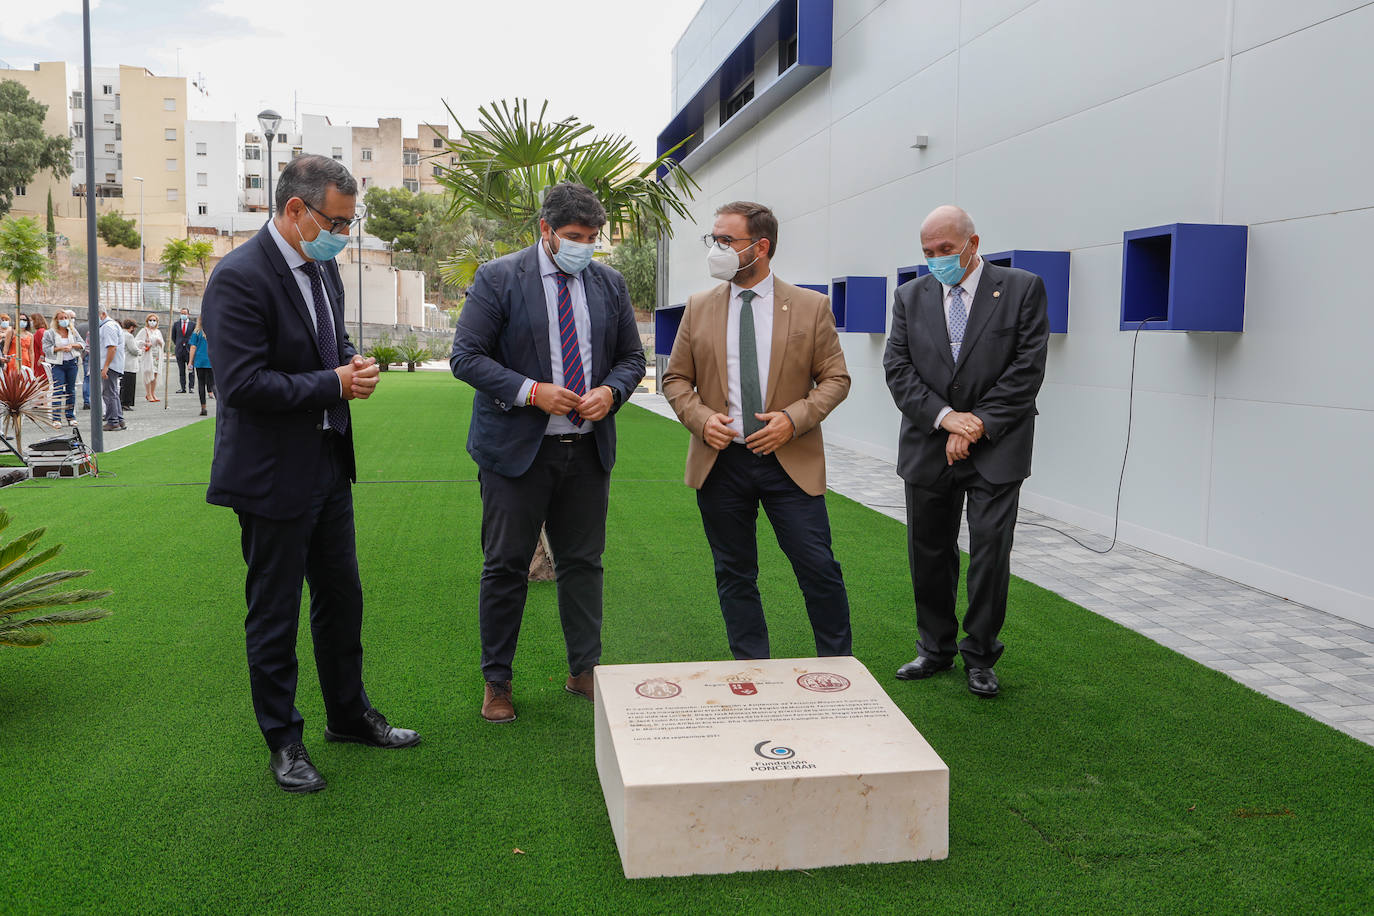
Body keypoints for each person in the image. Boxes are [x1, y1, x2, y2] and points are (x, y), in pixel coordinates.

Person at [202, 154, 417, 795]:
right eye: (336, 222)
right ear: (294, 210)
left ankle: (348, 716)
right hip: (270, 475)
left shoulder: (322, 271)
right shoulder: (238, 277)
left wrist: (353, 364)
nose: (343, 237)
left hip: (327, 463)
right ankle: (284, 740)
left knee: (341, 598)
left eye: (349, 225)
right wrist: (333, 383)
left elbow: (329, 346)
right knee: (274, 612)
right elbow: (241, 385)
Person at [449, 182, 645, 724]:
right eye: (574, 236)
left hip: (586, 451)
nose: (585, 245)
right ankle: (498, 681)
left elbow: (632, 357)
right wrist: (532, 391)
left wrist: (613, 391)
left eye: (593, 237)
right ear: (545, 230)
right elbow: (465, 357)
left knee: (583, 564)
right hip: (516, 451)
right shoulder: (498, 278)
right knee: (505, 566)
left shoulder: (607, 283)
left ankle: (584, 670)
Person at [662, 201, 853, 661]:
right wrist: (702, 418)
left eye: (727, 241)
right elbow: (674, 379)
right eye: (714, 239)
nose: (717, 249)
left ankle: (839, 669)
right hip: (721, 462)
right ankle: (754, 669)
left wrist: (793, 420)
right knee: (734, 572)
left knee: (818, 568)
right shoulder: (699, 306)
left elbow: (836, 379)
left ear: (760, 247)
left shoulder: (810, 307)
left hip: (789, 462)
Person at [883, 205, 1050, 698]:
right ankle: (934, 649)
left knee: (989, 552)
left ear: (972, 244)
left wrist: (975, 424)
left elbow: (1027, 367)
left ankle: (981, 655)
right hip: (929, 442)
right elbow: (898, 367)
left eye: (945, 251)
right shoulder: (909, 297)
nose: (936, 260)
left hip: (997, 445)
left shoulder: (1022, 288)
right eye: (928, 252)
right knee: (928, 551)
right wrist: (945, 418)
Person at [43, 309, 84, 425]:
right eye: (61, 318)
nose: (64, 320)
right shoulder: (50, 333)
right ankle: (56, 418)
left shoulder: (72, 331)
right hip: (57, 365)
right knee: (58, 390)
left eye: (66, 318)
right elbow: (46, 349)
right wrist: (60, 348)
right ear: (56, 320)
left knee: (71, 390)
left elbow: (82, 344)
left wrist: (72, 345)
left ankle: (70, 416)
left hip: (72, 363)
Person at [97, 306, 126, 431]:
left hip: (109, 364)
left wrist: (106, 366)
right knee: (112, 392)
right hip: (112, 364)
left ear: (102, 314)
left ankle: (113, 420)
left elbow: (111, 347)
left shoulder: (108, 327)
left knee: (109, 393)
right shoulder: (110, 325)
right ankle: (119, 419)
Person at [186, 316, 213, 417]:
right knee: (213, 384)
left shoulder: (197, 332)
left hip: (200, 360)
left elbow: (193, 347)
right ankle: (220, 406)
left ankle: (203, 408)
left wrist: (190, 362)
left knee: (201, 384)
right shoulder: (214, 331)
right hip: (211, 360)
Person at [135, 313, 164, 402]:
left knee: (155, 374)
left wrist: (160, 342)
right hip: (148, 355)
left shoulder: (158, 332)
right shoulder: (144, 330)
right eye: (150, 320)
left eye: (154, 320)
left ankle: (152, 392)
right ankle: (148, 393)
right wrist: (145, 344)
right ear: (147, 321)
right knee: (148, 373)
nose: (152, 322)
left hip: (157, 356)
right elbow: (137, 341)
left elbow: (162, 343)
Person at [171, 306, 194, 393]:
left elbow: (194, 336)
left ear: (188, 314)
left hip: (189, 350)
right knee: (181, 370)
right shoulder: (176, 324)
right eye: (182, 313)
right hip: (180, 350)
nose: (183, 315)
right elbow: (174, 336)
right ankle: (183, 387)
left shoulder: (193, 325)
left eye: (185, 313)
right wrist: (178, 344)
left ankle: (191, 387)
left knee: (191, 369)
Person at [119, 319, 139, 412]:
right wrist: (141, 351)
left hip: (122, 362)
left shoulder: (120, 333)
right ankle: (126, 403)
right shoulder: (129, 336)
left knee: (123, 385)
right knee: (129, 385)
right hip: (130, 363)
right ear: (131, 327)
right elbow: (134, 350)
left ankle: (121, 402)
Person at [28, 314, 48, 383]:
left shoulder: (40, 332)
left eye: (31, 320)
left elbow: (43, 345)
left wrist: (42, 357)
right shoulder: (40, 331)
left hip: (39, 361)